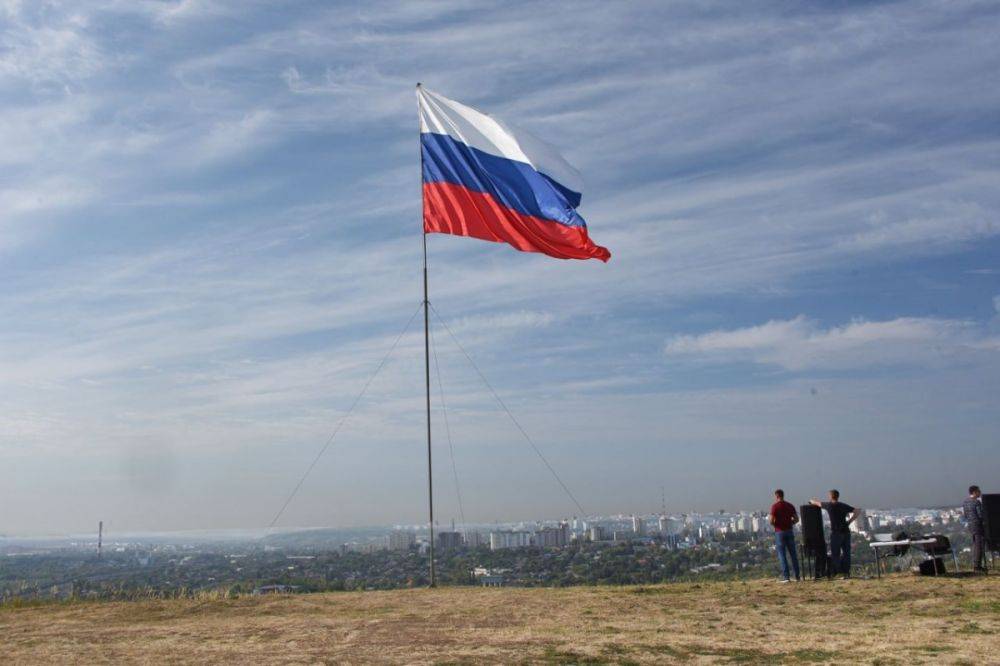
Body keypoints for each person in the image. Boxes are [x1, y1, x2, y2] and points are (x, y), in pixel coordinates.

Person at [810, 490, 859, 579]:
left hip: (836, 533)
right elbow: (857, 511)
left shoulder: (829, 506)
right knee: (846, 553)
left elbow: (818, 503)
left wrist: (811, 501)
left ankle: (839, 572)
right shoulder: (843, 505)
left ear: (830, 496)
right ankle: (846, 572)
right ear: (838, 496)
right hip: (846, 532)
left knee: (835, 553)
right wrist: (850, 521)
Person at [769, 489, 800, 582]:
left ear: (776, 496)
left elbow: (771, 520)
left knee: (782, 555)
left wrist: (776, 525)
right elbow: (797, 519)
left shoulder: (774, 506)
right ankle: (797, 576)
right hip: (789, 531)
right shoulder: (790, 505)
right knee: (793, 554)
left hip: (779, 532)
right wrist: (790, 523)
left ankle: (786, 577)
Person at [963, 485, 986, 573]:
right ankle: (977, 566)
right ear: (974, 492)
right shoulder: (976, 502)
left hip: (970, 526)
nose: (980, 492)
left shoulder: (965, 502)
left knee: (975, 545)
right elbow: (980, 515)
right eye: (978, 491)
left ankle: (976, 565)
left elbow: (965, 515)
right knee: (979, 546)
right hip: (978, 526)